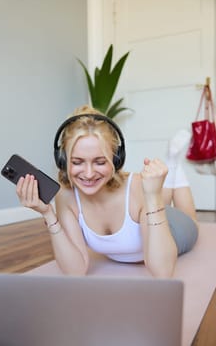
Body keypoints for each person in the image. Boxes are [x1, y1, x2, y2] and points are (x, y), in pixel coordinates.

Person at [16, 105, 198, 278]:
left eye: (100, 162)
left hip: (172, 231)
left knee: (188, 216)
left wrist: (152, 196)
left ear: (116, 159)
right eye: (77, 162)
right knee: (157, 200)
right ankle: (165, 180)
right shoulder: (66, 196)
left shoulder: (136, 186)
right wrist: (48, 214)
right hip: (150, 212)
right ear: (63, 161)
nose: (88, 174)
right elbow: (75, 271)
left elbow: (163, 272)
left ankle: (173, 163)